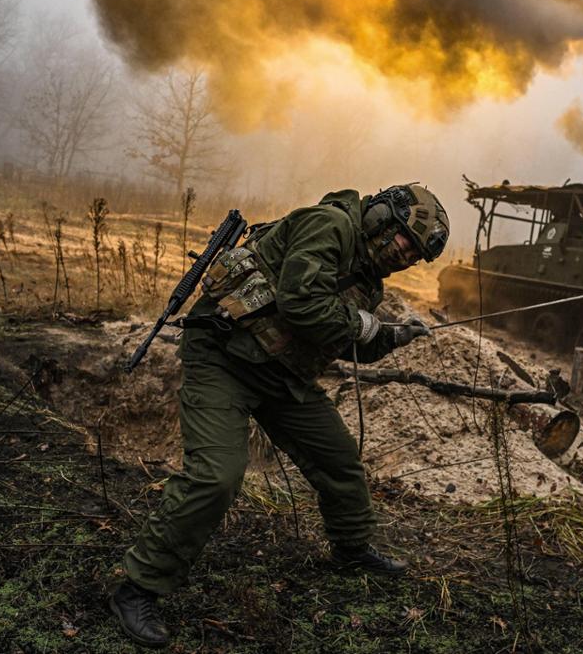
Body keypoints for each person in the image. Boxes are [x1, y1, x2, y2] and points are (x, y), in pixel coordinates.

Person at [109, 185, 449, 648]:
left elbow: (346, 341)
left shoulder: (369, 281)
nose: (404, 255)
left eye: (414, 255)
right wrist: (366, 324)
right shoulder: (328, 225)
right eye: (405, 240)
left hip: (281, 376)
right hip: (223, 358)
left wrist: (392, 336)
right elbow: (302, 303)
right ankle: (138, 588)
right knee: (216, 476)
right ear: (382, 217)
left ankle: (351, 550)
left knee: (340, 461)